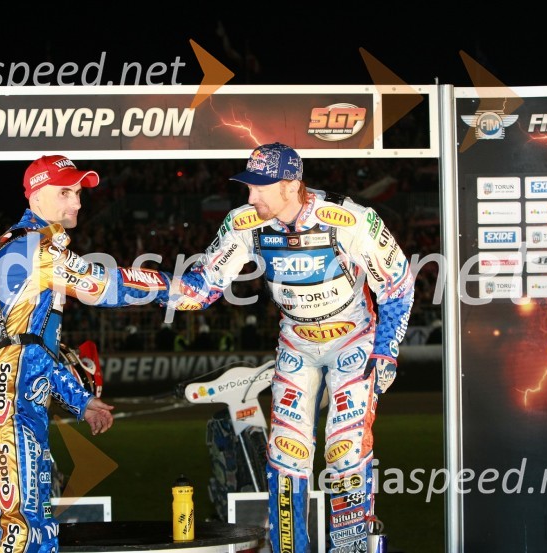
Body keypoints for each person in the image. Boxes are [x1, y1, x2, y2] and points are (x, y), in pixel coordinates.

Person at [167, 142, 414, 553]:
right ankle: (289, 547)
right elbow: (204, 286)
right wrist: (139, 286)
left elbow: (398, 285)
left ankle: (350, 547)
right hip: (296, 342)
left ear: (290, 184)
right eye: (248, 186)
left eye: (260, 187)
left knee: (345, 446)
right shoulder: (244, 222)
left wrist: (386, 350)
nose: (251, 196)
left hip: (353, 338)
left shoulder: (350, 219)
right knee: (286, 452)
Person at [0, 154, 170, 553]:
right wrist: (176, 288)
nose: (77, 201)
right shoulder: (33, 247)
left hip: (18, 401)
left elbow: (32, 348)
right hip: (8, 405)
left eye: (78, 192)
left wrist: (81, 401)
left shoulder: (24, 246)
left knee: (39, 530)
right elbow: (106, 286)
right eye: (65, 192)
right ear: (36, 196)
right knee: (19, 532)